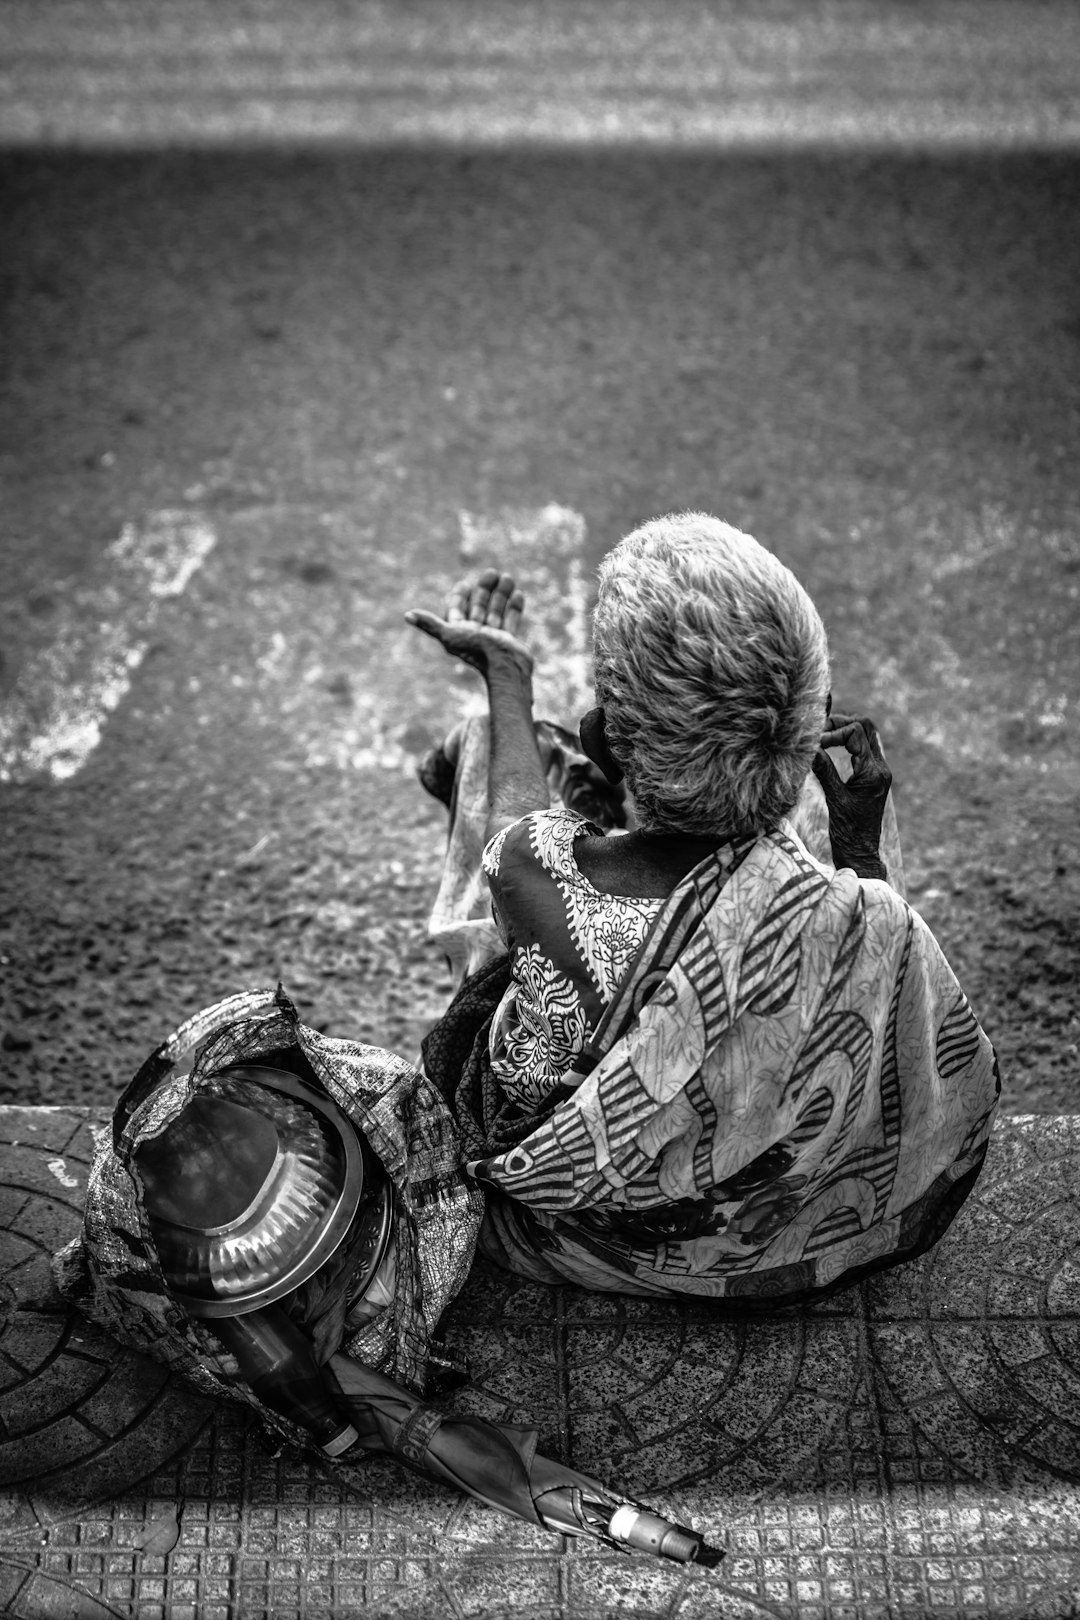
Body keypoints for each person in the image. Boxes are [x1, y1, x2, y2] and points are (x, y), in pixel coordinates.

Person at [407, 512, 999, 1304]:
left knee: (490, 744)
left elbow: (516, 822)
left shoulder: (535, 871)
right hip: (761, 1236)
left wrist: (508, 679)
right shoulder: (860, 913)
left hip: (582, 1240)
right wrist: (860, 857)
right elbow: (880, 1004)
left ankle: (468, 754)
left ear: (607, 739)